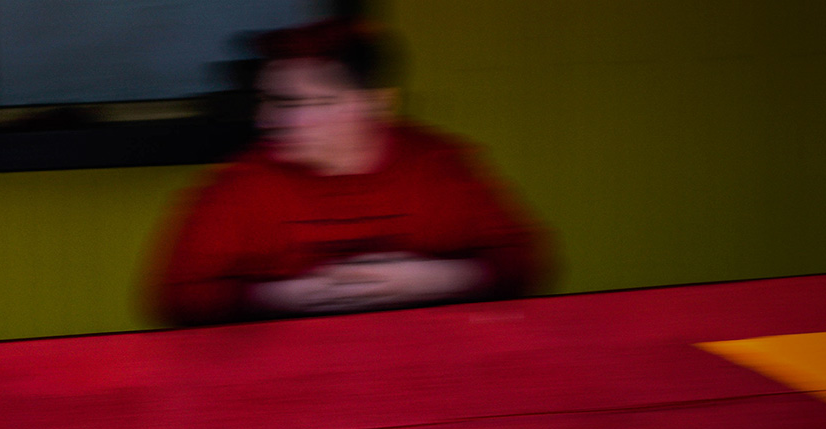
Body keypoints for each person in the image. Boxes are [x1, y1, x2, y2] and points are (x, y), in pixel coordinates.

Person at [149, 18, 549, 325]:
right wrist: (276, 297)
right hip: (289, 389)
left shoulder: (436, 167)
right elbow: (177, 296)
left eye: (289, 103)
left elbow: (524, 261)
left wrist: (437, 279)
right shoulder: (243, 184)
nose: (265, 120)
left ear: (375, 103)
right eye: (265, 100)